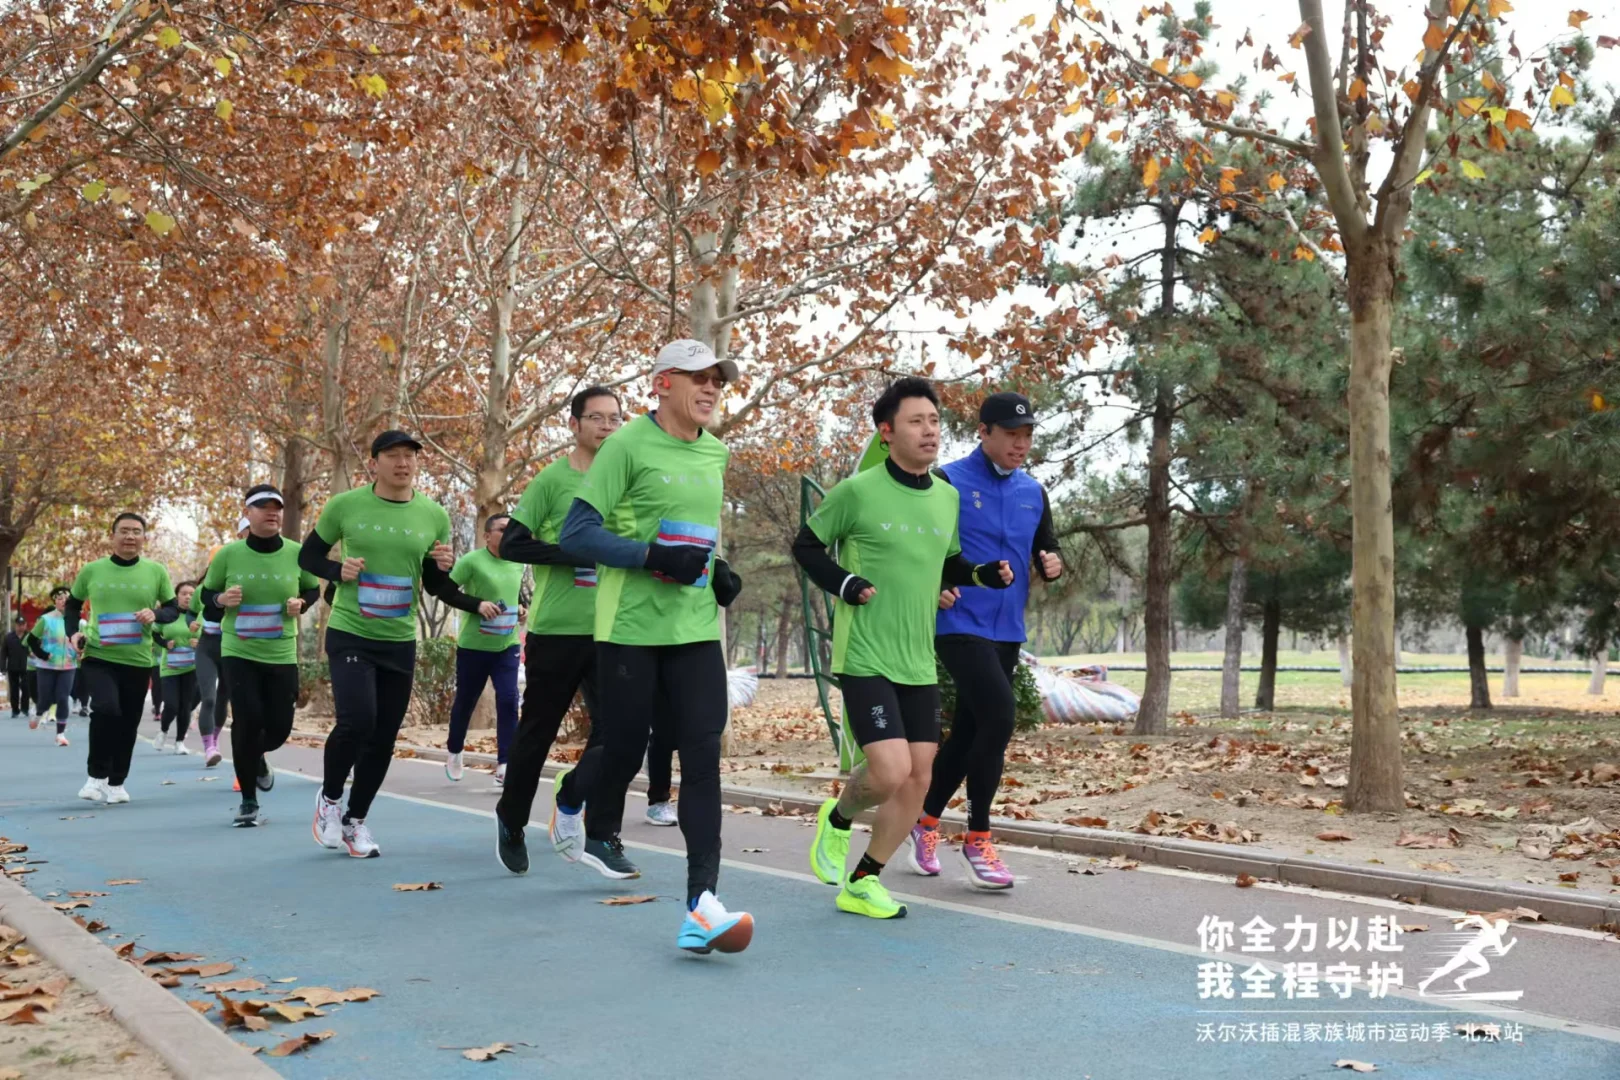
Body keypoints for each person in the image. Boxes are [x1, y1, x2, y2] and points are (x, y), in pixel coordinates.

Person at [548, 342, 754, 954]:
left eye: (719, 380)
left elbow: (696, 533)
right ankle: (570, 795)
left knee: (703, 757)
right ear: (663, 384)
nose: (713, 388)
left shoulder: (716, 450)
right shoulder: (626, 446)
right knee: (624, 750)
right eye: (700, 378)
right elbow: (577, 532)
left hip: (693, 633)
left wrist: (717, 569)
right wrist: (651, 557)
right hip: (631, 628)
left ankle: (701, 904)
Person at [793, 378, 1013, 919]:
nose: (930, 430)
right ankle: (839, 818)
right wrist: (844, 583)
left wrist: (982, 574)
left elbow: (946, 560)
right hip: (866, 651)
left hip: (918, 658)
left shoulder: (946, 496)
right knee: (888, 772)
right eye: (916, 421)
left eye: (935, 421)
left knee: (921, 777)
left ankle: (864, 881)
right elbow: (806, 545)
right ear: (887, 431)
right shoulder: (858, 492)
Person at [299, 431, 496, 858]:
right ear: (375, 462)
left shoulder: (434, 515)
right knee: (358, 720)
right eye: (393, 456)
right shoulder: (345, 506)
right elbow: (308, 558)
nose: (403, 463)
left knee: (385, 735)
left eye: (410, 456)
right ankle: (330, 801)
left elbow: (435, 583)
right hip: (351, 630)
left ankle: (356, 820)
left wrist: (447, 568)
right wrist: (338, 570)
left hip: (399, 638)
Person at [910, 391, 1062, 889]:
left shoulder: (1033, 492)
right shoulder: (948, 482)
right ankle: (978, 837)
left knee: (973, 731)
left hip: (1007, 629)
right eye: (1012, 435)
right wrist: (935, 586)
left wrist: (1051, 562)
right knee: (999, 715)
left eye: (1027, 436)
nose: (1021, 444)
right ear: (985, 432)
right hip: (958, 623)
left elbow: (1045, 546)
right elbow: (922, 549)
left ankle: (926, 820)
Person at [492, 386, 621, 874]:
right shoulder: (553, 480)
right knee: (537, 732)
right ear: (575, 424)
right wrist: (575, 552)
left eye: (614, 419)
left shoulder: (627, 482)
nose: (607, 428)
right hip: (557, 629)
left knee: (620, 732)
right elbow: (513, 545)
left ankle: (577, 800)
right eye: (597, 418)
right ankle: (511, 818)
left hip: (615, 627)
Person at [203, 485, 321, 826]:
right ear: (247, 513)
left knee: (280, 728)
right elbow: (207, 597)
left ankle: (257, 757)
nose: (272, 512)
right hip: (239, 650)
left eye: (277, 507)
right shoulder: (228, 554)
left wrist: (303, 603)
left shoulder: (297, 553)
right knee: (247, 720)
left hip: (281, 651)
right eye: (263, 507)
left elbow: (313, 588)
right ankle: (248, 802)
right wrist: (221, 601)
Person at [65, 512, 180, 804]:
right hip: (99, 654)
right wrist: (72, 634)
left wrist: (155, 614)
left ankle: (116, 783)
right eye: (124, 531)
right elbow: (73, 604)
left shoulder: (156, 571)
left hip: (138, 659)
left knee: (128, 721)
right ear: (112, 535)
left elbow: (172, 609)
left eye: (136, 531)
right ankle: (95, 776)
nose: (130, 536)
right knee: (105, 708)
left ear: (144, 538)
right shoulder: (92, 570)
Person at [444, 514, 525, 784]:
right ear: (487, 535)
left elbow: (515, 595)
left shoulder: (518, 561)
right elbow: (448, 591)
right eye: (503, 529)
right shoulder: (471, 561)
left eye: (512, 529)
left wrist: (522, 609)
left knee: (508, 699)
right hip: (474, 646)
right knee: (466, 701)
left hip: (507, 644)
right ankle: (455, 750)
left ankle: (505, 763)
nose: (508, 533)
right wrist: (477, 605)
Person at [192, 516, 249, 768]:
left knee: (224, 697)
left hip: (233, 645)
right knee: (210, 698)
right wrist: (190, 625)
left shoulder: (247, 581)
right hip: (207, 645)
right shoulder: (203, 588)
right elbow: (189, 611)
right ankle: (208, 747)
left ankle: (214, 741)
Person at [25, 586, 79, 745]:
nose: (63, 601)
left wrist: (80, 650)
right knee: (45, 699)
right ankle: (39, 713)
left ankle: (60, 734)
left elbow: (82, 639)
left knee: (63, 698)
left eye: (66, 599)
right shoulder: (46, 619)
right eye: (59, 598)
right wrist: (43, 654)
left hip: (69, 665)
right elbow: (31, 640)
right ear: (54, 601)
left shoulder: (76, 621)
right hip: (47, 666)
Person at [153, 583, 202, 754]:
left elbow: (211, 636)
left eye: (191, 594)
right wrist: (165, 643)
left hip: (192, 667)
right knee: (172, 705)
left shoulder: (199, 616)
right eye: (184, 593)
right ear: (176, 596)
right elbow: (154, 632)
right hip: (170, 667)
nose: (188, 597)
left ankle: (180, 742)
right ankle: (163, 730)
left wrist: (200, 643)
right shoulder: (168, 615)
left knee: (186, 705)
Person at [4, 615, 31, 718]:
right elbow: (3, 653)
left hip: (26, 667)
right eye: (19, 625)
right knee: (14, 689)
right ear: (15, 625)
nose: (21, 627)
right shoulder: (9, 637)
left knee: (26, 688)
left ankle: (25, 708)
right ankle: (15, 709)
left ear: (25, 625)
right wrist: (2, 667)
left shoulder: (29, 637)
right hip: (13, 667)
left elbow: (34, 649)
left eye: (23, 625)